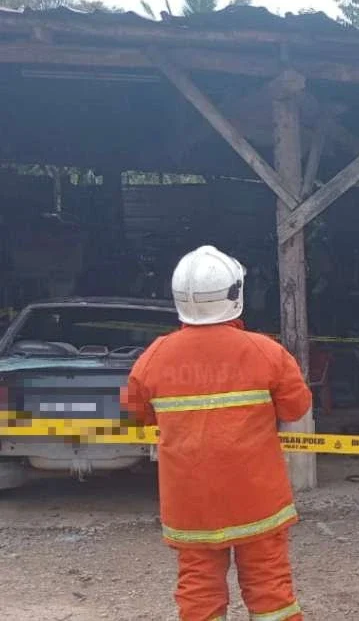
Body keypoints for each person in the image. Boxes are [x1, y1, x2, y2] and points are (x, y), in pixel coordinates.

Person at [123, 245, 311, 621]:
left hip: (191, 505)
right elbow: (296, 407)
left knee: (199, 593)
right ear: (235, 294)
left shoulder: (154, 356)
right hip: (258, 500)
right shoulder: (266, 352)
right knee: (271, 590)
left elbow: (135, 412)